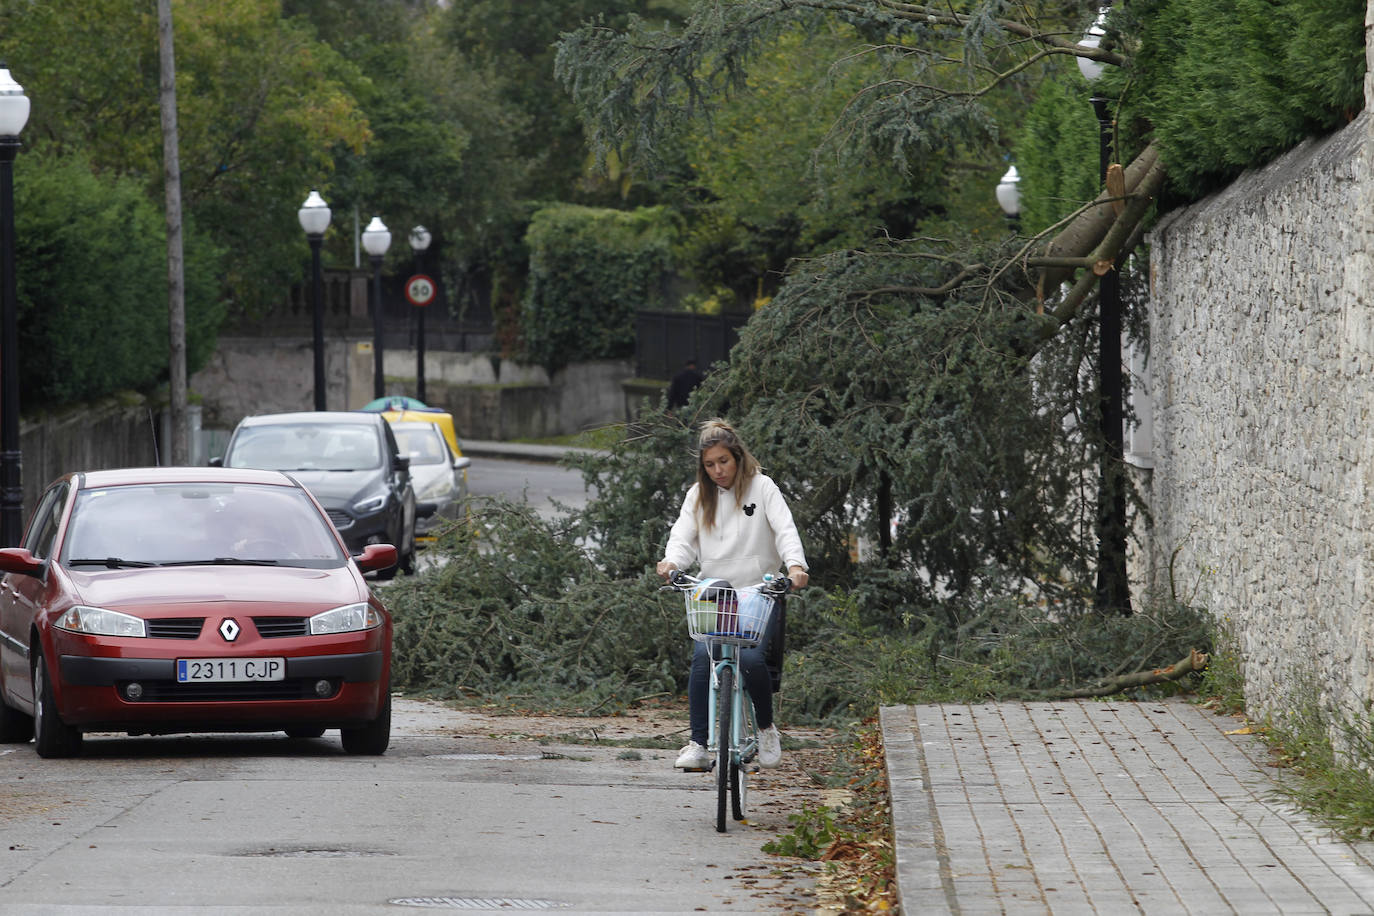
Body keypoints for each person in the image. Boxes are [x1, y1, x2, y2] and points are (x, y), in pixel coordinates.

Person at [656, 418, 809, 770]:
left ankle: (767, 728)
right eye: (709, 465)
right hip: (715, 594)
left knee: (753, 661)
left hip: (759, 591)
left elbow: (785, 529)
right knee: (701, 658)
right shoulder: (698, 496)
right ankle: (697, 743)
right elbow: (682, 537)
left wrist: (796, 567)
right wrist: (671, 562)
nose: (717, 471)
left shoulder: (763, 487)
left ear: (737, 457)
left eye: (723, 461)